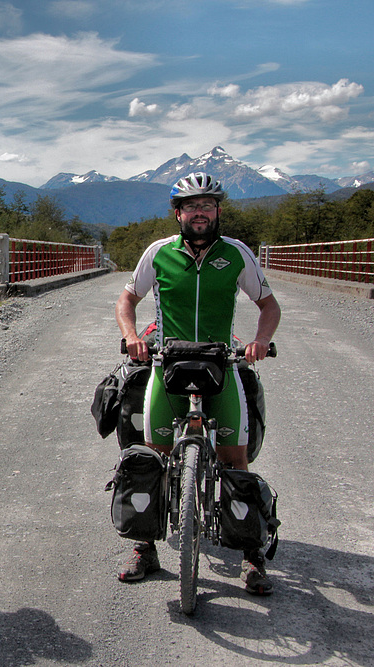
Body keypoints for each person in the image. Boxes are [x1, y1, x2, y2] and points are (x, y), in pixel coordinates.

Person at [114, 172, 281, 595]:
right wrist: (133, 337)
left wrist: (260, 341)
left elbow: (268, 305)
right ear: (178, 214)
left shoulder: (236, 254)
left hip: (220, 364)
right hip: (166, 362)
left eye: (208, 205)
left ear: (218, 210)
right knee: (152, 458)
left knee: (236, 462)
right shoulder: (159, 253)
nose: (200, 212)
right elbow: (127, 300)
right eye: (191, 206)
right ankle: (144, 548)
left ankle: (251, 557)